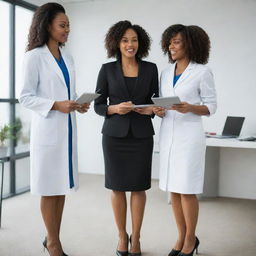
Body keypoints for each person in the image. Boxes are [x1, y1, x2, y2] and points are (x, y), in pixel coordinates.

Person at [19, 3, 89, 256]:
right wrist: (55, 105)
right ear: (47, 25)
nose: (67, 30)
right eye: (63, 25)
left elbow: (65, 94)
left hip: (66, 130)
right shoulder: (34, 56)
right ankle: (54, 243)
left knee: (61, 188)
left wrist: (76, 105)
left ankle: (52, 237)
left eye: (68, 25)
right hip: (48, 130)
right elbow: (25, 97)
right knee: (49, 188)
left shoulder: (66, 56)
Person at [94, 20, 158, 256]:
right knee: (117, 188)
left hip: (141, 135)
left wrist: (152, 109)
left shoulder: (151, 69)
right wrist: (114, 109)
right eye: (125, 40)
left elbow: (157, 101)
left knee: (139, 188)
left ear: (140, 43)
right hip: (114, 137)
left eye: (134, 40)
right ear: (116, 43)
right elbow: (98, 105)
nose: (130, 44)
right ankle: (122, 235)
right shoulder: (107, 69)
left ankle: (137, 237)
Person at [153, 24, 217, 256]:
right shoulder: (166, 72)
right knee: (174, 191)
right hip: (168, 135)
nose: (171, 46)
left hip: (189, 138)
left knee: (187, 190)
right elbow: (163, 102)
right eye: (169, 42)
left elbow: (211, 106)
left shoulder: (202, 71)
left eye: (176, 42)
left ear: (190, 44)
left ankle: (191, 240)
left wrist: (190, 107)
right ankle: (180, 236)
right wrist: (159, 110)